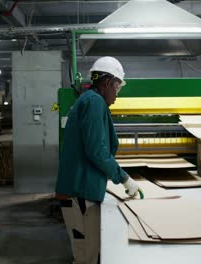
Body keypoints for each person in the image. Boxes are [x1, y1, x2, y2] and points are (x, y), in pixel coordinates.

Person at [55, 56, 143, 264]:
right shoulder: (94, 102)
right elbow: (96, 150)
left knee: (89, 253)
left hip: (81, 190)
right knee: (87, 256)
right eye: (117, 88)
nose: (117, 95)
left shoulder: (90, 101)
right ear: (106, 83)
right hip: (79, 194)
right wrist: (124, 178)